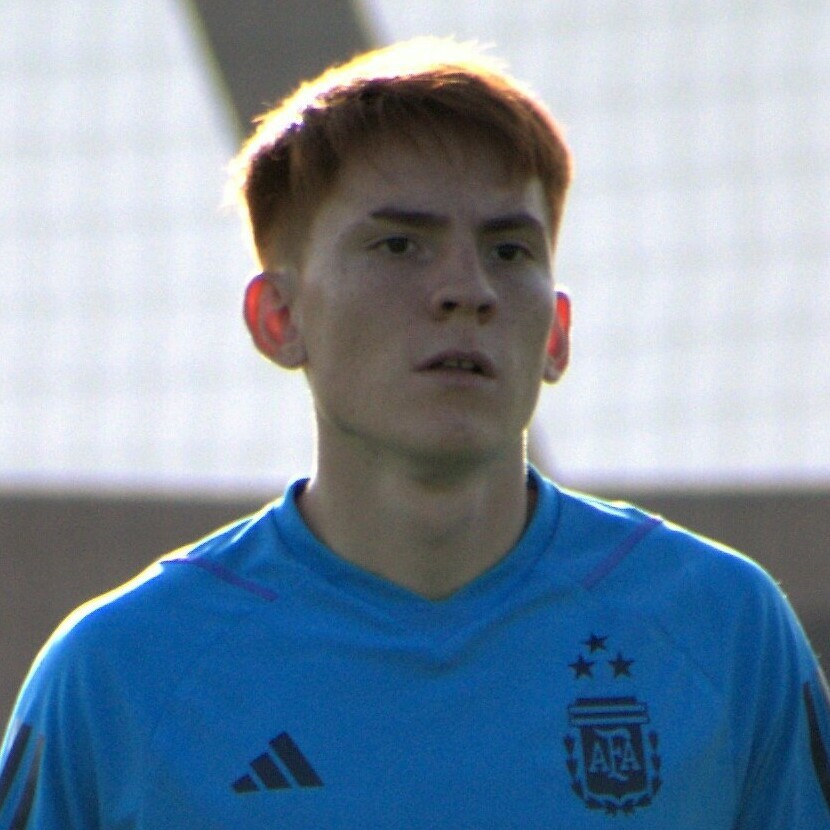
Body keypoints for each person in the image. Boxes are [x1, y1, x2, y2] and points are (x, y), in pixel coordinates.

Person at [1, 37, 828, 829]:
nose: (465, 290)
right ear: (279, 317)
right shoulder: (118, 674)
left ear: (555, 334)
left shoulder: (722, 630)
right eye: (399, 245)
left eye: (508, 251)